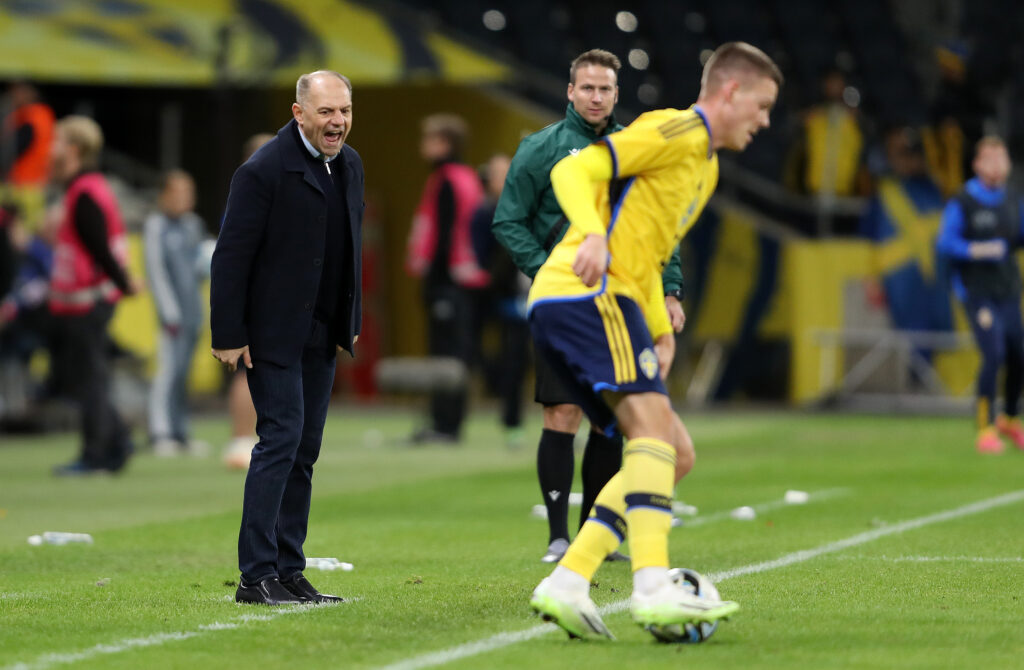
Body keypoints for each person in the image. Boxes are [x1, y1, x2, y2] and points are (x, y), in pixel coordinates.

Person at [527, 42, 781, 641]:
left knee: (674, 452)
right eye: (763, 105)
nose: (766, 121)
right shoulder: (673, 130)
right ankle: (653, 586)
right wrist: (589, 233)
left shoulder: (708, 166)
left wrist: (660, 331)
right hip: (585, 292)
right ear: (731, 92)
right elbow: (573, 168)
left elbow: (650, 251)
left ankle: (567, 580)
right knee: (651, 433)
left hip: (613, 302)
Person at [493, 48, 686, 563]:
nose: (596, 97)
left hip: (622, 303)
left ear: (617, 95)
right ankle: (558, 537)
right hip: (566, 305)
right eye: (588, 88)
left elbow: (659, 227)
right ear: (570, 92)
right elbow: (507, 220)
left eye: (605, 89)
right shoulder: (542, 149)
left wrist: (670, 290)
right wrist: (550, 272)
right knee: (562, 412)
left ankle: (594, 533)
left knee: (615, 418)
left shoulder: (634, 148)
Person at [210, 70, 363, 605]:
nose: (337, 122)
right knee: (280, 440)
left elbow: (348, 249)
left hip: (321, 331)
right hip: (272, 331)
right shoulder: (263, 170)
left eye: (343, 111)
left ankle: (290, 569)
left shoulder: (349, 164)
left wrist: (351, 316)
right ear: (299, 113)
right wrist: (229, 332)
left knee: (305, 449)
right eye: (326, 112)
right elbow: (230, 255)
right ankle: (256, 576)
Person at [48, 116, 138, 475]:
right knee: (87, 377)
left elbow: (98, 247)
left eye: (57, 141)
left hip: (89, 300)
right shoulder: (83, 187)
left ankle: (98, 453)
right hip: (85, 299)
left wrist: (123, 282)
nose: (51, 148)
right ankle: (115, 442)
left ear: (74, 148)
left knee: (89, 378)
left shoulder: (84, 190)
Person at [937, 136, 1024, 454]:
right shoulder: (963, 201)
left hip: (1009, 290)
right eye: (990, 159)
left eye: (1002, 158)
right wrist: (976, 249)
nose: (997, 165)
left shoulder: (1013, 199)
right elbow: (945, 243)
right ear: (977, 165)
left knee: (1019, 355)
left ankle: (1011, 419)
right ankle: (985, 427)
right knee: (994, 353)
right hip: (977, 292)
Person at [405, 113, 487, 443]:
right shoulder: (465, 177)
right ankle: (446, 423)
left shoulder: (448, 180)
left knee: (447, 353)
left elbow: (445, 236)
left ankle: (445, 425)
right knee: (455, 352)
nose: (423, 146)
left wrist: (433, 284)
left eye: (429, 139)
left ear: (445, 142)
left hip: (448, 284)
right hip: (463, 283)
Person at [144, 169, 210, 456]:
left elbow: (199, 268)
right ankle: (160, 432)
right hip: (171, 317)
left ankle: (181, 431)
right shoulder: (156, 226)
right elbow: (156, 271)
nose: (183, 198)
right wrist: (168, 311)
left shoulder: (193, 225)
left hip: (192, 312)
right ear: (164, 195)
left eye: (188, 192)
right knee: (167, 373)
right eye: (177, 192)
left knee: (184, 374)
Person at [469, 153, 530, 446]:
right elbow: (480, 256)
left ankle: (515, 422)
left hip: (527, 298)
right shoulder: (484, 212)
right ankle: (507, 415)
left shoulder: (528, 208)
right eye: (497, 174)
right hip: (494, 298)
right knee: (487, 355)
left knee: (522, 361)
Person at [221, 133, 272, 470]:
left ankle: (257, 439)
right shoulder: (250, 193)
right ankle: (241, 439)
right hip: (258, 295)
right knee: (248, 367)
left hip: (272, 296)